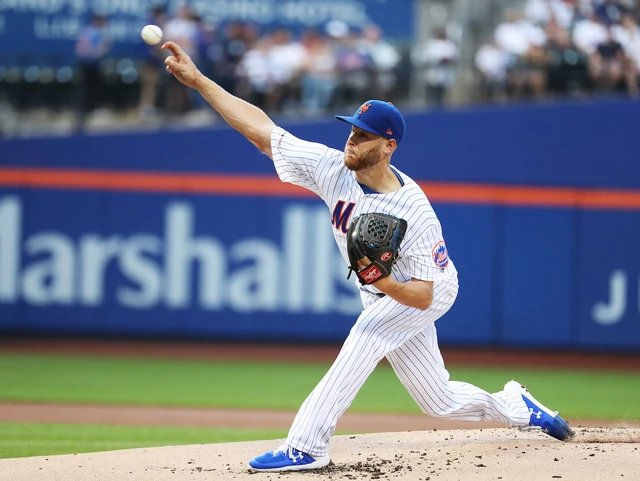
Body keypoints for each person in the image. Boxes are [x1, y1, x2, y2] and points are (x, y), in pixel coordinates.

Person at [161, 40, 575, 473]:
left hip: (424, 289)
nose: (351, 140)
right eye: (352, 130)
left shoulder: (414, 211)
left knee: (366, 335)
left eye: (363, 135)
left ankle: (306, 445)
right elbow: (261, 131)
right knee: (439, 400)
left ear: (388, 145)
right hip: (383, 291)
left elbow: (421, 295)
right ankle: (517, 406)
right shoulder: (333, 168)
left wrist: (383, 283)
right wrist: (200, 81)